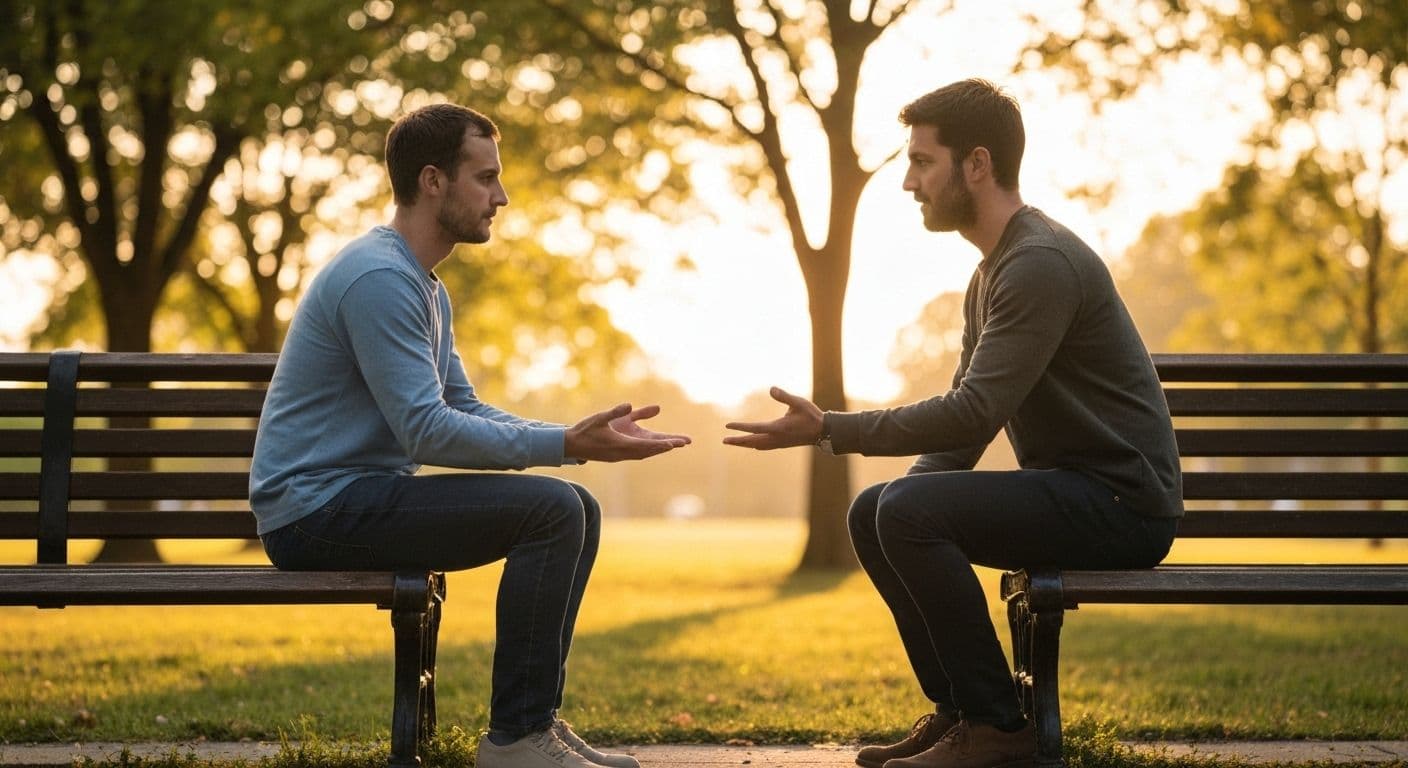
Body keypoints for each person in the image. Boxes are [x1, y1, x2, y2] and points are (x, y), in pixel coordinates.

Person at [723, 78, 1182, 768]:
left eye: (922, 162)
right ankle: (962, 715)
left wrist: (833, 430)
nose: (909, 183)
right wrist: (891, 514)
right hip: (1081, 491)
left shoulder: (1038, 264)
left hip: (1120, 504)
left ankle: (1001, 728)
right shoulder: (992, 272)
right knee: (875, 509)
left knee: (902, 509)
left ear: (977, 165)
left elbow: (972, 410)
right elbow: (964, 434)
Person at [250, 103, 690, 768]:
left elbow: (461, 405)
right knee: (551, 509)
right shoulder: (378, 278)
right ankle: (515, 740)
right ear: (433, 181)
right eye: (485, 178)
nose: (501, 197)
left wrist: (571, 435)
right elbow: (426, 431)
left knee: (577, 508)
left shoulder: (422, 285)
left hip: (353, 499)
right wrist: (567, 445)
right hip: (316, 511)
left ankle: (532, 725)